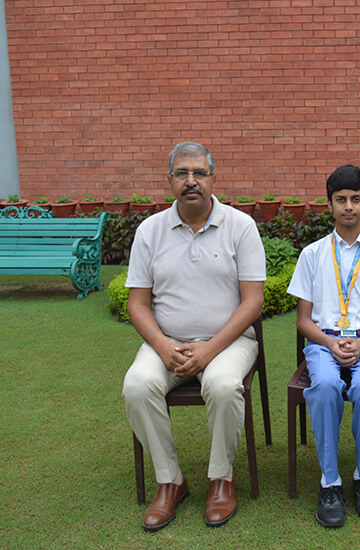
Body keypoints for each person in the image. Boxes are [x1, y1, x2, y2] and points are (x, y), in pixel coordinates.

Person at [122, 142, 266, 530]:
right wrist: (164, 346)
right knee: (137, 385)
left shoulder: (241, 226)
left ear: (213, 178)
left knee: (221, 385)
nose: (191, 182)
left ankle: (221, 480)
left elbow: (253, 302)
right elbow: (137, 304)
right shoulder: (150, 231)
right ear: (169, 180)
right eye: (182, 173)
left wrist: (209, 350)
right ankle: (171, 482)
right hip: (166, 340)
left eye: (199, 173)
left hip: (229, 342)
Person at [287, 164, 360, 528]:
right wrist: (331, 342)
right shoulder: (312, 254)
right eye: (341, 200)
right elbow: (303, 320)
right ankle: (330, 482)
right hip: (324, 342)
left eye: (356, 199)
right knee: (322, 386)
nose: (349, 207)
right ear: (329, 205)